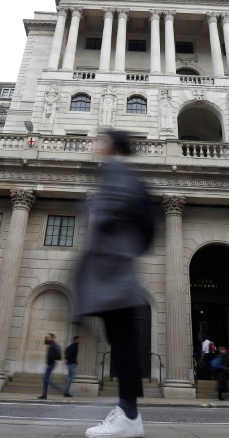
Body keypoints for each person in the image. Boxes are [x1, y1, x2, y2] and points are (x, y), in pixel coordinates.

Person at [75, 129, 155, 438]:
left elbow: (114, 213)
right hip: (115, 267)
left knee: (122, 342)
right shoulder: (122, 172)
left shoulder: (117, 171)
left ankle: (129, 415)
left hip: (112, 270)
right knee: (122, 340)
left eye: (100, 140)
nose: (96, 145)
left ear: (111, 145)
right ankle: (128, 414)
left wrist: (108, 242)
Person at [37, 332, 62, 399]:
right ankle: (44, 395)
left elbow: (51, 356)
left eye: (48, 337)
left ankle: (56, 387)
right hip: (50, 364)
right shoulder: (51, 344)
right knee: (45, 379)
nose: (47, 338)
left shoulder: (52, 345)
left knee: (45, 378)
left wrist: (49, 364)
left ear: (51, 338)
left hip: (51, 364)